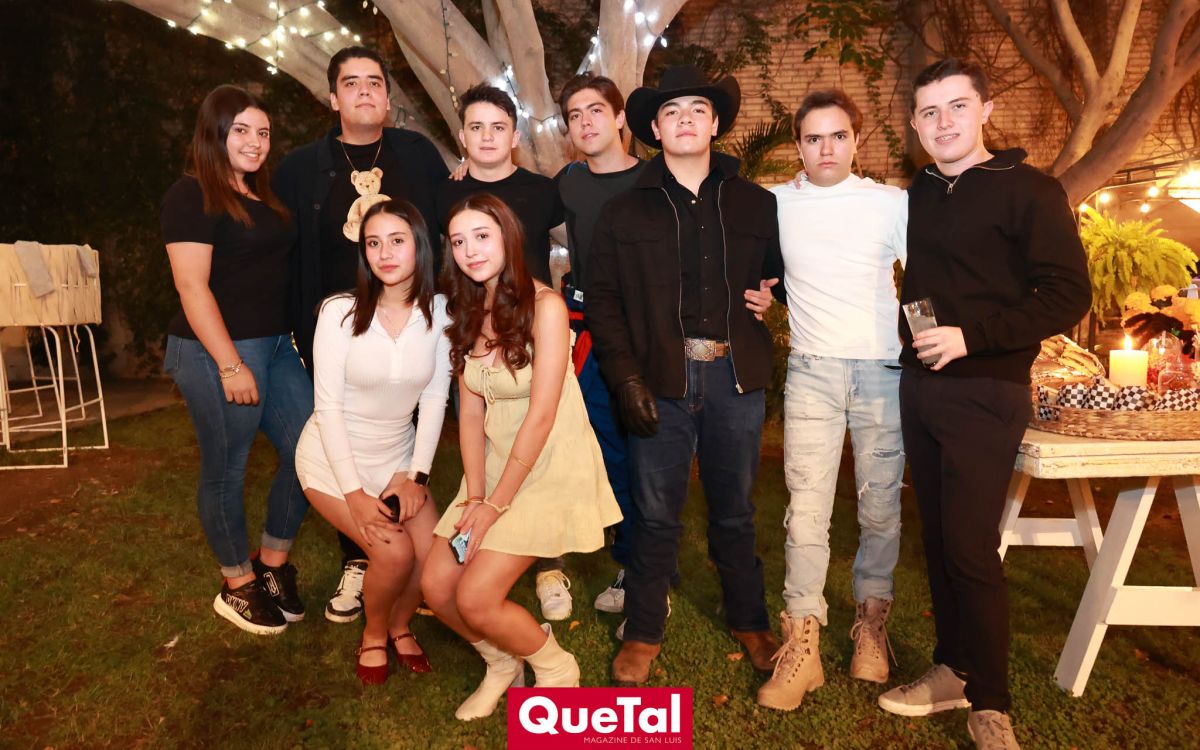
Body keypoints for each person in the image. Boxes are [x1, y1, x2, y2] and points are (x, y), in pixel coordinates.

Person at [876, 59, 1090, 750]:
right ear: (916, 125)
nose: (943, 122)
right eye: (929, 112)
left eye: (957, 106)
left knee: (970, 546)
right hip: (922, 386)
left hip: (988, 389)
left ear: (986, 110)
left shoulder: (1030, 190)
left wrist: (973, 337)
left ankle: (991, 704)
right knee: (939, 540)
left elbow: (1067, 294)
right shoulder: (921, 191)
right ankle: (953, 667)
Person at [587, 64, 784, 686]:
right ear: (654, 129)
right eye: (671, 112)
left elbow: (778, 277)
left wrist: (771, 298)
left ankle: (749, 618)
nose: (686, 120)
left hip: (734, 379)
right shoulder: (623, 211)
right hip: (659, 382)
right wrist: (626, 379)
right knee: (654, 513)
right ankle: (644, 628)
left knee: (736, 509)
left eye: (698, 109)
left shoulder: (758, 203)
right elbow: (604, 303)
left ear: (716, 123)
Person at [420, 194, 621, 721]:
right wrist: (476, 495)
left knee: (476, 598)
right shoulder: (467, 309)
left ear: (508, 237)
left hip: (549, 460)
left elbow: (542, 413)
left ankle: (555, 667)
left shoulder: (545, 307)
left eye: (481, 236)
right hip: (495, 464)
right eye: (458, 241)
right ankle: (502, 661)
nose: (469, 250)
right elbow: (469, 414)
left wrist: (495, 505)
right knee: (437, 586)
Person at [274, 46, 450, 624]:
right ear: (333, 98)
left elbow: (448, 223)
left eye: (375, 81)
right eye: (351, 83)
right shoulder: (300, 168)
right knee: (341, 427)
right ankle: (360, 554)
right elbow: (280, 247)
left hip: (409, 320)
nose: (365, 91)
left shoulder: (418, 155)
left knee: (396, 421)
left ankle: (394, 545)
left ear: (388, 97)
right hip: (333, 333)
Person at [755, 90, 908, 711]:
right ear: (798, 145)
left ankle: (871, 624)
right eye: (813, 138)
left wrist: (929, 337)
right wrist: (761, 292)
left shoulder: (890, 203)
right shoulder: (776, 203)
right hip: (812, 371)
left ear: (856, 141)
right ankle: (803, 641)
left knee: (881, 507)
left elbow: (929, 278)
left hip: (883, 371)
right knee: (806, 509)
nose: (826, 148)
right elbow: (757, 265)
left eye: (838, 136)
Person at [161, 84, 313, 635]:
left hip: (274, 346)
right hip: (214, 349)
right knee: (227, 468)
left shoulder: (261, 195)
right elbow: (191, 286)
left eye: (263, 132)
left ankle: (271, 563)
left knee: (311, 451)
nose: (255, 141)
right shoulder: (191, 195)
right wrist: (229, 365)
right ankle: (237, 584)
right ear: (215, 133)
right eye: (241, 130)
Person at [294, 199, 450, 684]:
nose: (384, 253)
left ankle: (401, 625)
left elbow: (435, 399)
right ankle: (375, 633)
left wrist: (416, 476)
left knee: (430, 556)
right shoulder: (339, 313)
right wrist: (355, 495)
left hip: (398, 456)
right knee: (394, 552)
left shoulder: (441, 312)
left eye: (397, 241)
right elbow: (328, 408)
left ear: (419, 246)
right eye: (373, 243)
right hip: (332, 458)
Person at [439, 82, 573, 621]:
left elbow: (583, 238)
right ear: (463, 137)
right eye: (476, 128)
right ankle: (481, 530)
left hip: (535, 333)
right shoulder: (446, 193)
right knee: (480, 428)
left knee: (542, 434)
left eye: (498, 127)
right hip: (476, 327)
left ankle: (548, 565)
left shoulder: (543, 191)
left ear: (515, 136)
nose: (488, 137)